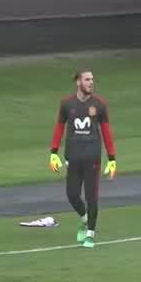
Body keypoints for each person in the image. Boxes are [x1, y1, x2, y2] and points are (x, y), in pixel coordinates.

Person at [48, 70, 118, 248]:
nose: (91, 82)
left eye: (92, 79)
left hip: (92, 157)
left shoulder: (100, 104)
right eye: (87, 79)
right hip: (73, 156)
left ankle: (90, 234)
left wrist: (112, 158)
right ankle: (84, 218)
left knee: (91, 197)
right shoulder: (67, 104)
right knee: (72, 195)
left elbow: (107, 132)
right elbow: (59, 128)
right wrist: (53, 152)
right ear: (78, 82)